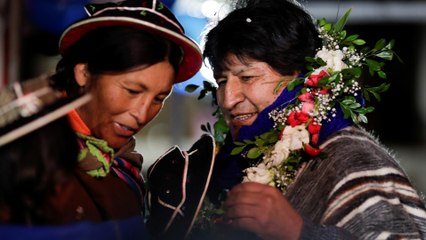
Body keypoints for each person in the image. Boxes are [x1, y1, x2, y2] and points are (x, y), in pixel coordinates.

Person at [192, 0, 426, 239]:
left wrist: (298, 232)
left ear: (299, 76)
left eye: (247, 77)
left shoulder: (350, 157)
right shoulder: (228, 165)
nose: (228, 100)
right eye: (221, 81)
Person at [48, 0, 202, 224]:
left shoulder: (124, 167)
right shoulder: (32, 153)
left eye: (159, 99)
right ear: (83, 72)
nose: (142, 114)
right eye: (132, 90)